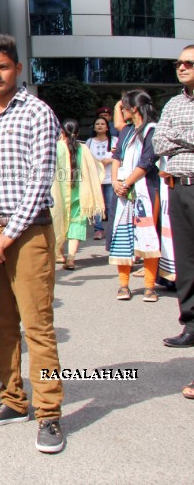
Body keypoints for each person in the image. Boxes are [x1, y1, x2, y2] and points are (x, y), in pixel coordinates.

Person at [0, 33, 65, 454]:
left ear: (17, 69)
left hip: (27, 234)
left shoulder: (37, 113)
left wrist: (8, 234)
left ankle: (50, 415)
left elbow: (39, 179)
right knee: (1, 326)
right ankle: (12, 400)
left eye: (2, 67)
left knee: (37, 326)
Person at [154, 46, 194, 375]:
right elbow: (158, 143)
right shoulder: (173, 103)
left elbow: (170, 137)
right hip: (179, 187)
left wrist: (176, 136)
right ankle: (190, 324)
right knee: (186, 261)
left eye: (189, 63)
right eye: (178, 63)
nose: (181, 67)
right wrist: (187, 137)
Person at [108, 90, 161, 302]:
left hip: (146, 191)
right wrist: (115, 182)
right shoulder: (126, 131)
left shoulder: (152, 130)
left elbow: (147, 161)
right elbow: (117, 157)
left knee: (149, 237)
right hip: (122, 192)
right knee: (123, 236)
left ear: (135, 109)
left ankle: (149, 286)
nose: (122, 110)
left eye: (124, 107)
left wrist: (127, 183)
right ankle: (123, 285)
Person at [50, 119, 104, 271]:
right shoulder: (83, 148)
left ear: (62, 132)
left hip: (58, 192)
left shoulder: (56, 147)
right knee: (77, 222)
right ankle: (71, 258)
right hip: (80, 191)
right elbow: (96, 168)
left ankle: (59, 254)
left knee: (58, 220)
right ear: (78, 132)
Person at [85, 114, 118, 245]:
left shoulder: (115, 140)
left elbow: (120, 155)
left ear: (107, 127)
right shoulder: (89, 142)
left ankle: (112, 229)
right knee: (98, 205)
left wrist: (111, 159)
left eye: (102, 124)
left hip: (111, 177)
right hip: (95, 178)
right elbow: (85, 159)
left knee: (110, 205)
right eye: (97, 124)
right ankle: (98, 229)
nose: (99, 126)